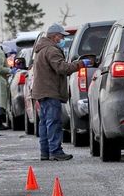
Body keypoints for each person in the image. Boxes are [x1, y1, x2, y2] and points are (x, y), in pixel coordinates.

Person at [31, 23, 91, 161]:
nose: (62, 39)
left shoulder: (41, 49)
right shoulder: (51, 50)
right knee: (53, 123)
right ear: (54, 36)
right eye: (61, 36)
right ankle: (55, 151)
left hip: (42, 91)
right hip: (50, 91)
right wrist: (81, 64)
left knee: (45, 123)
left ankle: (45, 152)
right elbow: (62, 68)